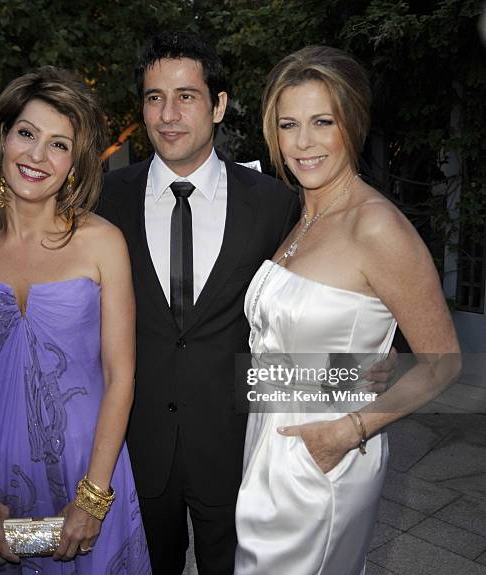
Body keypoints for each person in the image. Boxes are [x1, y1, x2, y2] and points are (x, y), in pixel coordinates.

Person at [234, 46, 460, 574]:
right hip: (269, 442)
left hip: (325, 455)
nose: (304, 142)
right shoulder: (304, 216)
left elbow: (444, 361)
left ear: (350, 125)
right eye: (289, 124)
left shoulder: (375, 225)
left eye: (322, 121)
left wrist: (347, 432)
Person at [96, 31, 300, 574]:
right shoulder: (105, 200)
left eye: (186, 95)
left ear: (219, 105)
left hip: (234, 448)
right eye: (153, 97)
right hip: (137, 448)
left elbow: (298, 322)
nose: (167, 114)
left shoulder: (274, 204)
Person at [0, 67, 151, 574]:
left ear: (74, 162)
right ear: (3, 136)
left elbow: (121, 375)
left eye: (58, 144)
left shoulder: (103, 242)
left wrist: (93, 497)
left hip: (88, 461)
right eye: (27, 133)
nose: (36, 155)